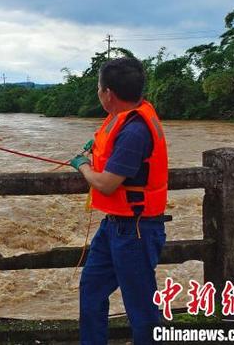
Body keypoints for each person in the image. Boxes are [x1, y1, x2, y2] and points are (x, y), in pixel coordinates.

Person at [69, 57, 168, 345]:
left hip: (135, 230)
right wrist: (94, 147)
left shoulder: (135, 130)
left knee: (141, 308)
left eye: (99, 88)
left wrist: (82, 166)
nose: (99, 93)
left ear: (107, 93)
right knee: (91, 289)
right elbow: (108, 145)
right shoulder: (124, 116)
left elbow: (108, 184)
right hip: (114, 226)